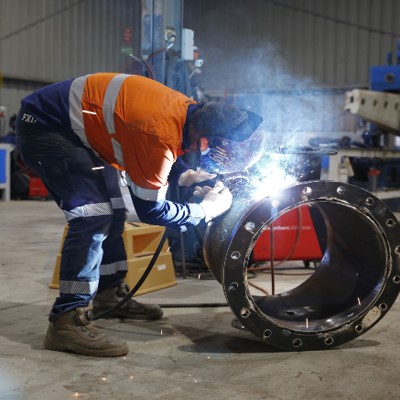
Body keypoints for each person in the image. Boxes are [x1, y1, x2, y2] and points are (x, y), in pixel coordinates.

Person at [15, 72, 264, 357]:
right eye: (211, 150)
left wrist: (186, 175)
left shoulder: (190, 112)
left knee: (113, 211)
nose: (210, 157)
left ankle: (107, 295)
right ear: (205, 138)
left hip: (78, 129)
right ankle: (67, 319)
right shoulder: (157, 132)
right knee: (92, 216)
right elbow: (152, 210)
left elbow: (167, 144)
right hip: (47, 126)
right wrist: (205, 210)